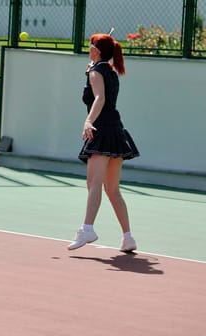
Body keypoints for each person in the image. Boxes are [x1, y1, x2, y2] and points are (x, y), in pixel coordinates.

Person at [67, 33, 140, 252]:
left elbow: (100, 98)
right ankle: (128, 238)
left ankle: (87, 228)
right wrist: (91, 71)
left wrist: (88, 121)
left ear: (96, 50)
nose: (88, 48)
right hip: (115, 130)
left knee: (94, 183)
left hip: (102, 130)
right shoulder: (107, 71)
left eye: (90, 45)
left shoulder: (97, 71)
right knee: (112, 189)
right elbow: (102, 94)